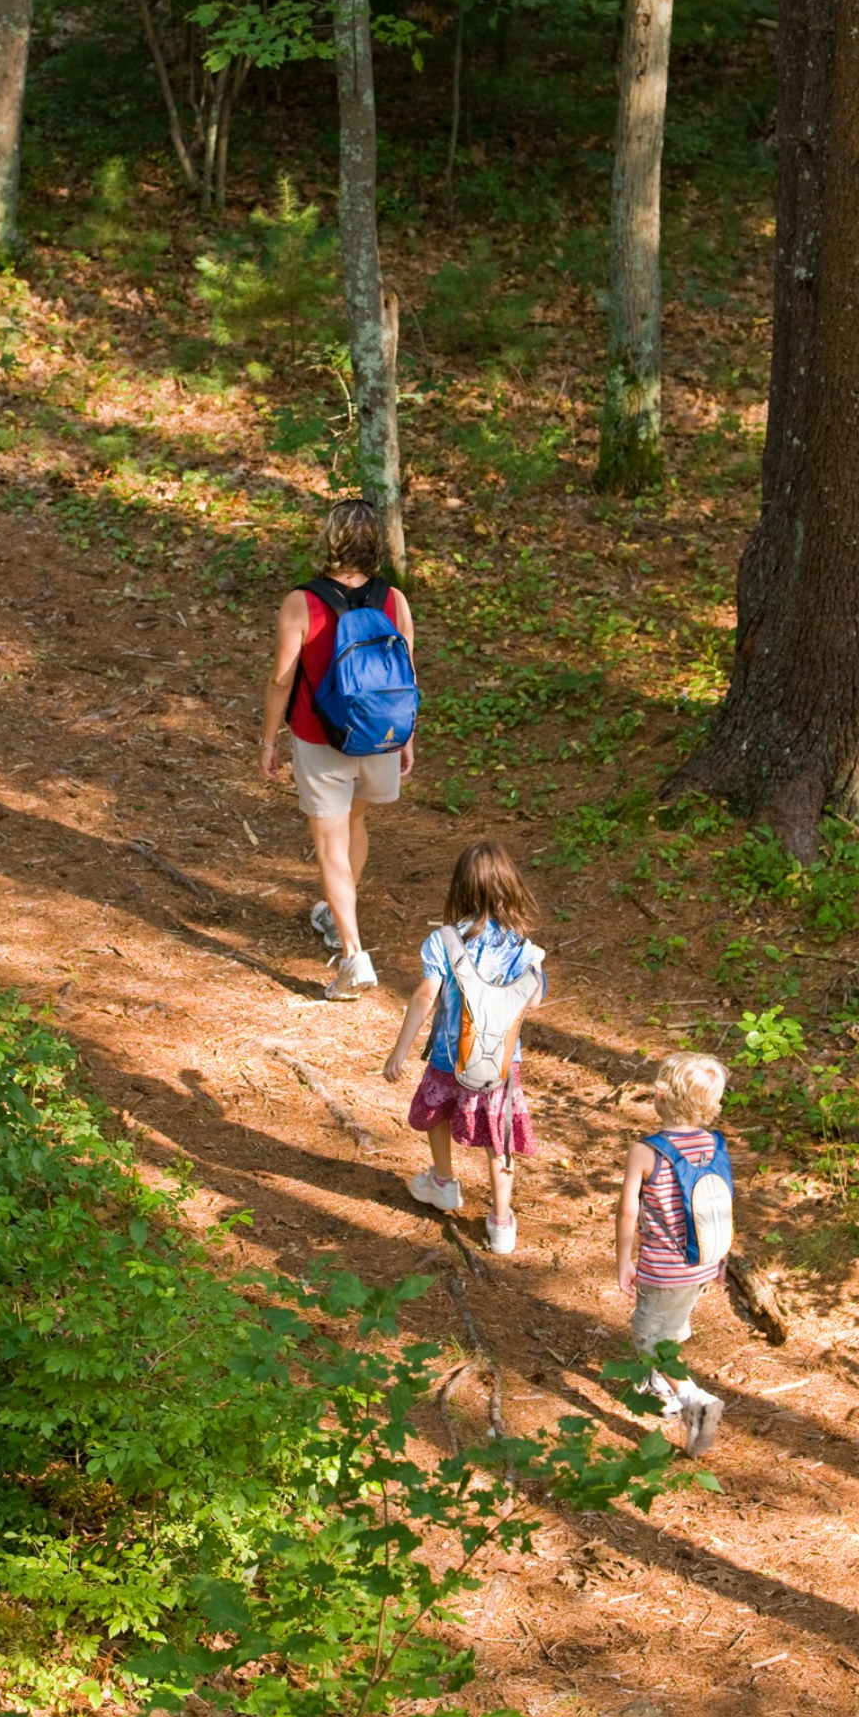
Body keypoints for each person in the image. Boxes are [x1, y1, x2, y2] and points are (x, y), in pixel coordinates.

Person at [260, 499, 415, 1001]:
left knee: (330, 843)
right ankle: (333, 914)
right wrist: (407, 736)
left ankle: (352, 954)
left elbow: (282, 680)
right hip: (379, 736)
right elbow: (406, 675)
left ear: (328, 539)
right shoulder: (394, 599)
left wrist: (268, 740)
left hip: (319, 734)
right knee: (356, 824)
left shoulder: (300, 603)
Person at [383, 841, 544, 1255]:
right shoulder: (523, 947)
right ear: (510, 887)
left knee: (436, 1111)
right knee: (499, 1137)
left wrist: (400, 1050)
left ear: (460, 889)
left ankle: (443, 1181)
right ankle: (502, 1222)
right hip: (501, 1064)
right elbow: (535, 1000)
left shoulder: (444, 941)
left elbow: (424, 996)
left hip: (448, 1057)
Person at [614, 1052, 732, 1457]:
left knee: (648, 1338)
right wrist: (722, 1257)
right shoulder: (715, 1143)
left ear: (659, 1096)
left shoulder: (647, 1151)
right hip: (703, 1261)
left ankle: (693, 1399)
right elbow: (721, 1201)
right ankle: (660, 1384)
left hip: (663, 1268)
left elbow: (629, 1210)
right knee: (673, 1322)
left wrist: (624, 1261)